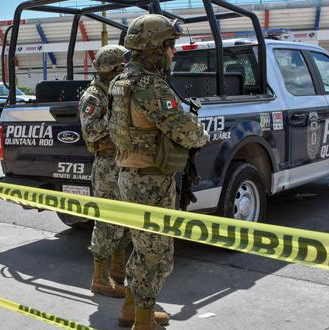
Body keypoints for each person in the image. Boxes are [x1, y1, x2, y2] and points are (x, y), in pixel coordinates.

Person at [108, 15, 209, 329]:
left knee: (141, 246)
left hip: (129, 173)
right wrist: (203, 135)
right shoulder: (149, 84)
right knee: (156, 255)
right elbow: (185, 131)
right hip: (150, 180)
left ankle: (131, 309)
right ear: (154, 46)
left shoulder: (121, 79)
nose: (173, 53)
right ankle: (142, 321)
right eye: (169, 46)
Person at [79, 45, 130, 298]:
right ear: (113, 68)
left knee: (123, 220)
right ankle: (99, 278)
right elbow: (90, 131)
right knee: (107, 221)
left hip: (122, 163)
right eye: (122, 67)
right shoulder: (94, 95)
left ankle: (118, 270)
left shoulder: (114, 90)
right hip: (107, 166)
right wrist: (120, 119)